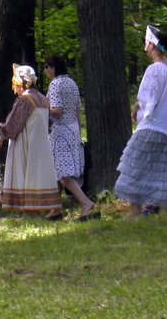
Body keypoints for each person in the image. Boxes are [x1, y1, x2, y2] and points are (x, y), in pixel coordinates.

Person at [113, 26, 167, 217]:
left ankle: (134, 211)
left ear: (151, 44)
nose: (145, 48)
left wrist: (138, 109)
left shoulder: (154, 69)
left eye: (146, 43)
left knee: (133, 165)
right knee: (162, 169)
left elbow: (148, 98)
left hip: (153, 125)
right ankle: (160, 210)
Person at [0, 64, 63, 219]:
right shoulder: (43, 99)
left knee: (26, 174)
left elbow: (12, 124)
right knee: (37, 175)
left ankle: (30, 211)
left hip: (26, 143)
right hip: (41, 144)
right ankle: (35, 209)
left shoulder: (25, 100)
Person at [43, 55, 98, 220]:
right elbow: (77, 110)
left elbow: (57, 110)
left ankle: (86, 202)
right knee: (57, 171)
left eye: (47, 67)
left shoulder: (55, 84)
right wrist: (78, 131)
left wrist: (42, 106)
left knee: (62, 174)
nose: (46, 71)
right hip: (73, 129)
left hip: (60, 132)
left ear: (53, 68)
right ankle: (55, 208)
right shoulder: (72, 83)